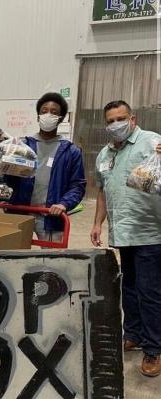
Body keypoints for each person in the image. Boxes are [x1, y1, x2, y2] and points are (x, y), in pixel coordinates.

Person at [90, 100, 161, 377]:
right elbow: (102, 191)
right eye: (110, 120)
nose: (116, 124)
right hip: (123, 232)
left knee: (150, 291)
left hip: (150, 232)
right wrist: (97, 223)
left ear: (133, 118)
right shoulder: (105, 154)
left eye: (121, 118)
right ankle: (133, 334)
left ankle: (154, 349)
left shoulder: (151, 142)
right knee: (129, 287)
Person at [4, 92, 86, 242]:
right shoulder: (24, 146)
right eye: (44, 111)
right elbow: (11, 181)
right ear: (37, 117)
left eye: (54, 112)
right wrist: (7, 167)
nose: (48, 115)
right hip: (21, 213)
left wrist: (64, 203)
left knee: (50, 260)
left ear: (60, 119)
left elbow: (77, 185)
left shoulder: (70, 151)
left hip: (51, 217)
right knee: (15, 257)